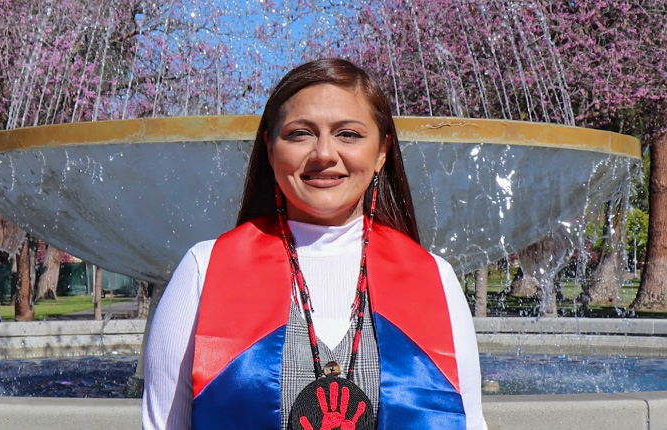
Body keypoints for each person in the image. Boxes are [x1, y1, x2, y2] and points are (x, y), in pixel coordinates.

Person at [142, 58, 487, 430]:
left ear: (382, 152)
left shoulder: (434, 278)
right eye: (299, 133)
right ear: (270, 149)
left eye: (348, 134)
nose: (324, 153)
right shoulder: (205, 270)